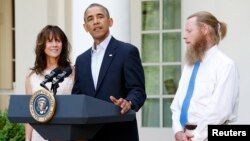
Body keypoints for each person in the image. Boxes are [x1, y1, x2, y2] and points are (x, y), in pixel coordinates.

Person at [72, 3, 146, 141]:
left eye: (100, 16)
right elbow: (77, 96)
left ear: (110, 22)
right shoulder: (81, 60)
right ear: (85, 27)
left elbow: (138, 90)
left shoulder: (127, 52)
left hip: (120, 133)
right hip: (89, 135)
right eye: (90, 19)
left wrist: (128, 102)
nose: (96, 22)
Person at [170, 11, 240, 141]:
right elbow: (176, 104)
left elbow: (220, 112)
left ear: (204, 30)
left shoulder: (226, 65)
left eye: (189, 31)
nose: (184, 36)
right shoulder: (189, 65)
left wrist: (194, 137)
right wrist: (178, 131)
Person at [25, 25, 75, 141]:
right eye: (50, 41)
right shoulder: (31, 74)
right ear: (42, 45)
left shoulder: (71, 71)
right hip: (39, 135)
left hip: (64, 132)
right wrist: (28, 139)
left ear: (63, 44)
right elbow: (29, 112)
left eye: (58, 41)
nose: (54, 45)